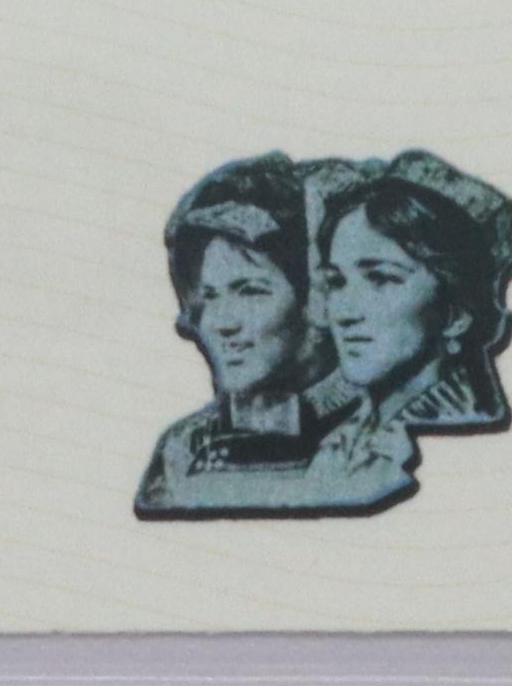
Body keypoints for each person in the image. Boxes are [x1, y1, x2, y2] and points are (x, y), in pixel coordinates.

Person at [131, 156, 415, 519]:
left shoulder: (382, 442)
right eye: (209, 297)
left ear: (317, 300)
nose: (221, 323)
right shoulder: (181, 452)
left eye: (250, 291)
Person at [310, 150, 512, 436]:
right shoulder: (343, 437)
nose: (344, 314)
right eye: (336, 282)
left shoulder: (461, 433)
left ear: (456, 314)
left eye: (381, 279)